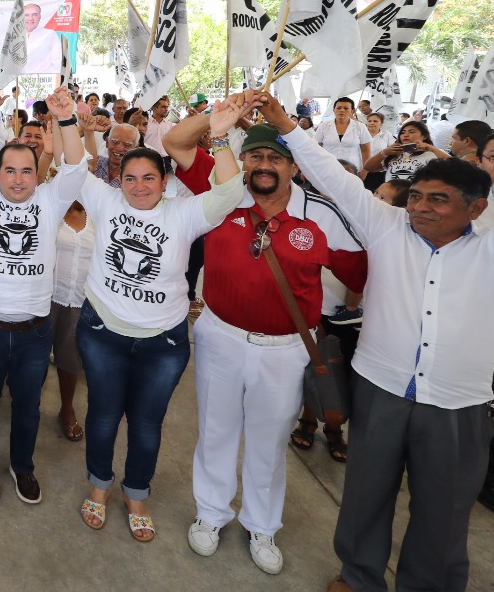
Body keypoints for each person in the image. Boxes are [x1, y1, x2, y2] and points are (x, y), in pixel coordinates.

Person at [255, 94, 494, 592]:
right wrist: (287, 127)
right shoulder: (385, 226)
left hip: (457, 402)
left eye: (437, 199)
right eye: (416, 197)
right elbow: (333, 178)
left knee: (445, 510)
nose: (420, 208)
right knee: (365, 494)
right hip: (381, 387)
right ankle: (360, 576)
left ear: (476, 208)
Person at [165, 103, 367, 575]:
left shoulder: (322, 214)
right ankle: (211, 514)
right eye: (254, 157)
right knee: (215, 432)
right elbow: (175, 142)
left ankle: (262, 526)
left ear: (294, 166)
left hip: (284, 349)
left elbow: (360, 270)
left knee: (269, 441)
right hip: (220, 337)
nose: (262, 166)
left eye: (274, 159)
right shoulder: (223, 194)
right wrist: (221, 116)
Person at [57, 92, 246, 543]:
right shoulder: (104, 201)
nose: (138, 186)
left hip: (163, 341)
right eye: (129, 178)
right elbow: (74, 161)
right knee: (103, 415)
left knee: (146, 423)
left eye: (148, 177)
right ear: (116, 180)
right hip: (102, 332)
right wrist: (67, 118)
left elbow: (230, 191)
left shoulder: (186, 213)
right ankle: (99, 487)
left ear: (165, 180)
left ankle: (136, 492)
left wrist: (217, 136)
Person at [0, 74, 81, 505]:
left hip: (34, 332)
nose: (19, 179)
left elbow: (77, 166)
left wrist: (65, 120)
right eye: (10, 170)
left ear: (36, 173)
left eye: (27, 170)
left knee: (27, 408)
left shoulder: (51, 200)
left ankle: (23, 467)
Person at [49, 200, 93, 442]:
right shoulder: (52, 207)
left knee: (69, 359)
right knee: (34, 360)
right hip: (47, 298)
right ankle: (26, 406)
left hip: (79, 300)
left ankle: (67, 408)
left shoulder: (97, 212)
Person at [363, 120, 447, 182]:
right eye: (402, 132)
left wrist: (431, 148)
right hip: (392, 198)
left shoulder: (433, 154)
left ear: (424, 136)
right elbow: (368, 167)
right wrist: (384, 152)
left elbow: (454, 164)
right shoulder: (394, 154)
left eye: (412, 132)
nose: (405, 135)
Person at [313, 97, 372, 174]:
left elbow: (366, 150)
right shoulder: (324, 126)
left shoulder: (360, 126)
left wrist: (365, 170)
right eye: (338, 108)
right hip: (327, 167)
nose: (342, 110)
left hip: (352, 169)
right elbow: (316, 148)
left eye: (346, 108)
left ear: (352, 111)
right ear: (334, 110)